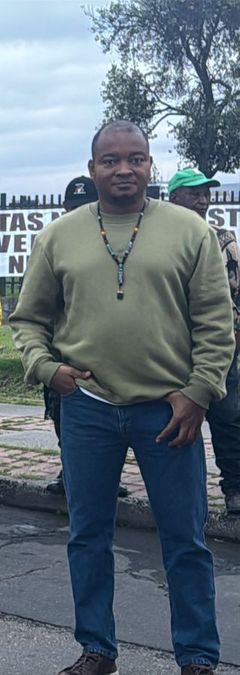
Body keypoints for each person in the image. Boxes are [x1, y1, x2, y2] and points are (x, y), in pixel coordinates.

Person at [11, 120, 232, 675]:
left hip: (169, 411)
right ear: (93, 170)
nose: (124, 169)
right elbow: (29, 318)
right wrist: (45, 367)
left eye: (136, 158)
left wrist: (200, 393)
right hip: (87, 408)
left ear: (150, 165)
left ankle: (198, 656)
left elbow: (216, 323)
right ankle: (97, 650)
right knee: (87, 536)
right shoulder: (58, 236)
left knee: (185, 540)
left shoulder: (189, 231)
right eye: (111, 160)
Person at [45, 178, 128, 499]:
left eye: (84, 207)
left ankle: (108, 475)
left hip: (106, 350)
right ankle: (70, 470)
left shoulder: (116, 245)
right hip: (62, 350)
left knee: (112, 411)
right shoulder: (53, 244)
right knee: (61, 412)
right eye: (72, 208)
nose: (77, 213)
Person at [168, 167, 240, 516]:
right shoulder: (160, 241)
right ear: (173, 198)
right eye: (194, 193)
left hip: (219, 349)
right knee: (174, 424)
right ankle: (178, 497)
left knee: (228, 420)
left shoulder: (223, 240)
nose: (203, 199)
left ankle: (235, 490)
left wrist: (231, 341)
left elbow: (236, 295)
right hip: (173, 352)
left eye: (206, 193)